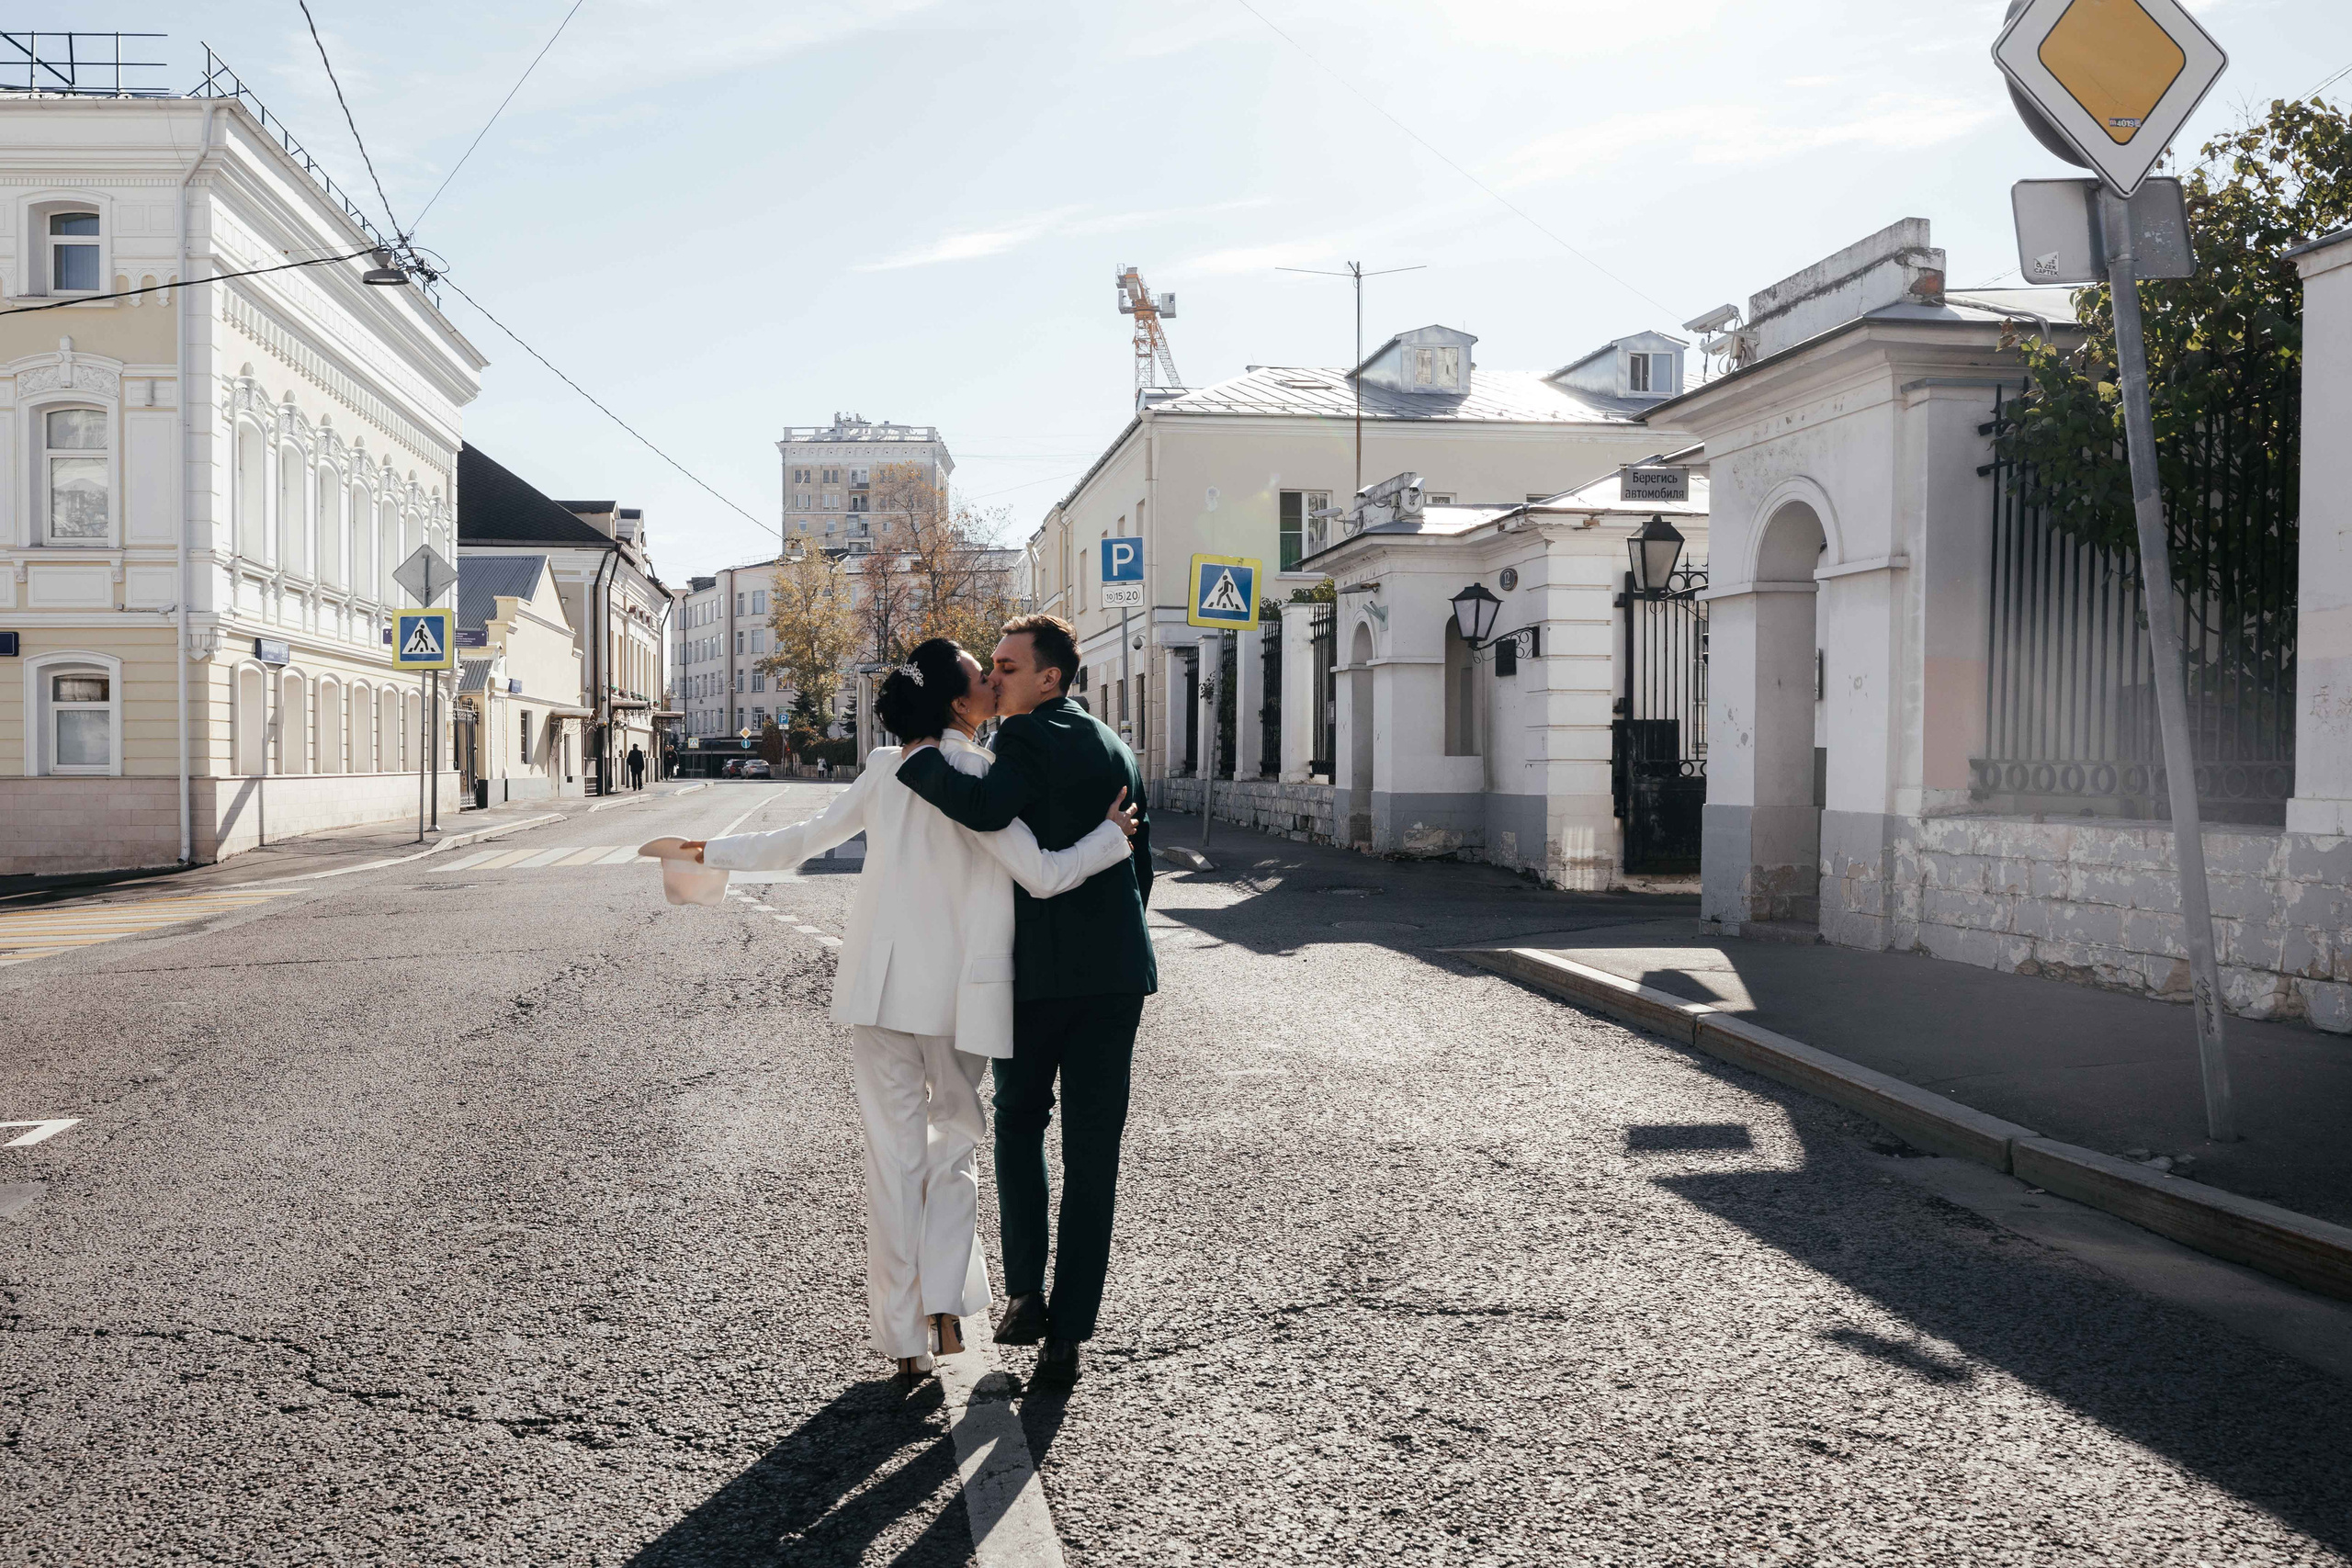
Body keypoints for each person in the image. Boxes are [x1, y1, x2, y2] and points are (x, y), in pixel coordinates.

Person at [673, 638, 1139, 1379]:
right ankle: (945, 1304)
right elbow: (1047, 877)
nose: (993, 682)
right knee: (952, 1154)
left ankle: (904, 1344)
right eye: (983, 677)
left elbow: (801, 839)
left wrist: (706, 852)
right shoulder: (988, 782)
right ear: (962, 705)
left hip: (880, 992)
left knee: (891, 1163)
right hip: (962, 1001)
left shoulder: (888, 771)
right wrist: (1111, 842)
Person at [895, 613, 1153, 1393]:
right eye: (993, 665)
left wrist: (915, 755)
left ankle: (1023, 1294)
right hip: (1116, 977)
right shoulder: (1117, 745)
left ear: (1049, 678)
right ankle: (1068, 1331)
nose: (995, 677)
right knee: (1094, 1151)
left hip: (1039, 977)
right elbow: (1143, 867)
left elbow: (983, 809)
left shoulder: (1026, 737)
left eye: (1008, 666)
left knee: (1018, 1124)